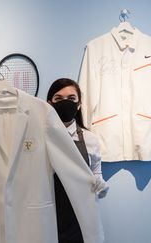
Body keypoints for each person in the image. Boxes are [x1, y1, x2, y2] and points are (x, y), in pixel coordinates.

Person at [47, 78, 109, 243]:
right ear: (49, 104)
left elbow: (96, 174)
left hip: (80, 221)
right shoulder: (40, 138)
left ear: (79, 104)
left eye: (71, 98)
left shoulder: (90, 140)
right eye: (58, 99)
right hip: (47, 218)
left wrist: (101, 186)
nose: (65, 103)